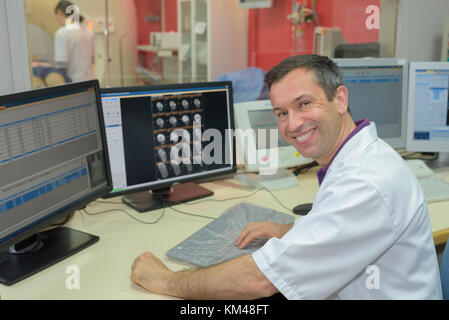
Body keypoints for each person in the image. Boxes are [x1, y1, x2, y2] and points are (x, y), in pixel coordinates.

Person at [131, 54, 442, 300]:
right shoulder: (356, 157)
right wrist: (292, 230)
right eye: (281, 113)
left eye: (304, 104)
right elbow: (339, 222)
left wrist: (166, 280)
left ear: (341, 99)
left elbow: (260, 280)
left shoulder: (366, 182)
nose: (293, 124)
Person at [54, 0, 95, 83]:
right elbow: (93, 60)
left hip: (74, 82)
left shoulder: (62, 33)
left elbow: (62, 64)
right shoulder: (88, 32)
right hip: (91, 81)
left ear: (59, 12)